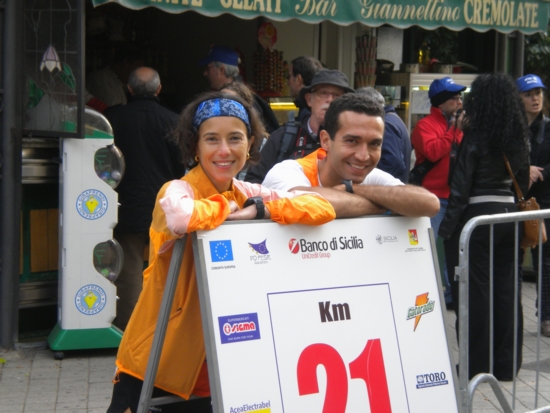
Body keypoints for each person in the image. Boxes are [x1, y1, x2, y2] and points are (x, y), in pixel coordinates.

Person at [106, 92, 336, 413]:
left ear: (251, 143)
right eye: (211, 139)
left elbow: (320, 206)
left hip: (218, 360)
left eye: (235, 138)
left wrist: (258, 210)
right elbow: (181, 216)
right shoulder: (177, 189)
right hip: (158, 358)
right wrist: (228, 207)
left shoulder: (247, 193)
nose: (224, 150)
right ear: (194, 146)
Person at [439, 73, 530, 380]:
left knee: (474, 293)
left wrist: (446, 230)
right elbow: (522, 177)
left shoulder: (475, 138)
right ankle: (506, 365)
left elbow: (460, 189)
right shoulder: (517, 138)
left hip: (477, 220)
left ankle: (476, 366)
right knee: (507, 291)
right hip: (508, 217)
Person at [262, 93, 440, 218]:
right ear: (325, 140)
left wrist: (352, 189)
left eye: (374, 144)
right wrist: (385, 203)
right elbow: (304, 201)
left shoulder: (367, 178)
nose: (363, 156)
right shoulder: (287, 171)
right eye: (352, 141)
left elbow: (429, 204)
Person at [104, 67, 186, 331]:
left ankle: (129, 328)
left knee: (127, 270)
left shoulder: (112, 119)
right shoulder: (174, 121)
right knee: (160, 268)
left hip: (124, 206)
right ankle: (160, 327)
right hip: (164, 208)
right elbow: (181, 166)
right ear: (158, 89)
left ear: (129, 89)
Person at [411, 76, 466, 306]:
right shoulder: (424, 126)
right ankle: (421, 293)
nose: (460, 102)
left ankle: (451, 295)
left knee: (454, 249)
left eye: (460, 97)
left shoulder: (461, 125)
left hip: (456, 198)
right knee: (429, 249)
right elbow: (433, 152)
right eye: (454, 98)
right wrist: (453, 132)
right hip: (433, 199)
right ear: (441, 102)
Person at [245, 69, 355, 184]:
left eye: (337, 95)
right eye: (323, 93)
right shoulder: (283, 138)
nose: (330, 100)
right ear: (309, 99)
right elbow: (253, 181)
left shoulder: (355, 141)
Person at [516, 74, 550, 337]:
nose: (535, 98)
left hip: (543, 204)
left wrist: (540, 173)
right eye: (529, 94)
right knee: (512, 261)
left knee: (546, 263)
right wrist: (523, 170)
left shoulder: (548, 128)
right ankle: (511, 315)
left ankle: (546, 315)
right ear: (519, 99)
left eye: (538, 93)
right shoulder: (511, 129)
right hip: (516, 202)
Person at [199, 45, 279, 133]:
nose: (205, 73)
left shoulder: (233, 98)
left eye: (208, 68)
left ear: (221, 70)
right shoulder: (246, 94)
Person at [356, 87, 411, 183]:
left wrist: (373, 180)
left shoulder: (386, 123)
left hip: (387, 191)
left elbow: (393, 162)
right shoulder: (393, 119)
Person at [286, 56, 324, 121]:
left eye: (289, 76)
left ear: (298, 79)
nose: (287, 82)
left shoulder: (307, 114)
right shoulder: (317, 108)